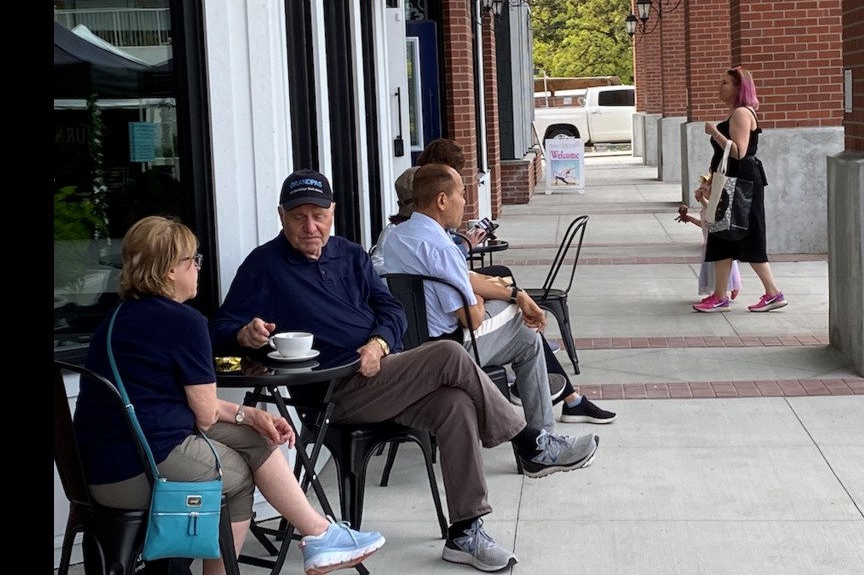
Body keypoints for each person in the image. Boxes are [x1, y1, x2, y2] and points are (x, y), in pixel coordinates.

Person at [209, 169, 600, 572]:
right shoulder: (264, 266)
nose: (310, 226)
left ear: (333, 213)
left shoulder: (349, 254)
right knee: (448, 354)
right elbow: (217, 330)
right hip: (331, 393)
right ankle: (531, 442)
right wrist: (244, 333)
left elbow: (392, 311)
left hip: (379, 374)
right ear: (281, 216)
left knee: (454, 403)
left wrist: (378, 344)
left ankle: (464, 531)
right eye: (298, 217)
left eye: (318, 215)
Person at [73, 216, 385, 575]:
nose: (197, 268)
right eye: (192, 260)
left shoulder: (115, 319)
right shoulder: (183, 322)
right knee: (236, 477)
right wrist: (246, 415)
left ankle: (319, 535)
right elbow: (204, 414)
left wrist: (253, 416)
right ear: (170, 271)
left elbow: (189, 406)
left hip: (102, 466)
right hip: (135, 472)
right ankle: (305, 541)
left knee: (255, 437)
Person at [381, 164, 616, 429]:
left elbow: (464, 279)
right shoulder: (441, 248)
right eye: (461, 193)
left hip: (410, 346)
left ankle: (545, 420)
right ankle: (543, 436)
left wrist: (516, 293)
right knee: (526, 334)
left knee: (510, 302)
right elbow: (472, 319)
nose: (465, 201)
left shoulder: (396, 238)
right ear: (442, 200)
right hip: (450, 351)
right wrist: (485, 296)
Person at [693, 66, 788, 313]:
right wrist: (709, 182)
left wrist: (715, 132)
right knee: (721, 236)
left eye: (725, 82)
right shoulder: (736, 114)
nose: (719, 86)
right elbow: (723, 159)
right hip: (731, 183)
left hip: (743, 184)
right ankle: (720, 295)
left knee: (748, 236)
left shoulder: (742, 114)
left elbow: (738, 152)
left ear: (738, 88)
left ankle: (773, 292)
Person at [677, 173, 742, 303]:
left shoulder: (715, 206)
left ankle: (733, 287)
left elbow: (712, 209)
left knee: (725, 267)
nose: (701, 191)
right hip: (708, 243)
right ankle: (718, 292)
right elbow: (704, 225)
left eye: (705, 189)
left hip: (717, 242)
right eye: (701, 188)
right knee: (712, 270)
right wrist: (689, 218)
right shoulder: (707, 208)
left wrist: (701, 199)